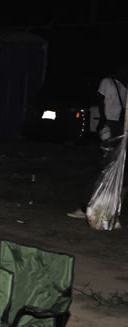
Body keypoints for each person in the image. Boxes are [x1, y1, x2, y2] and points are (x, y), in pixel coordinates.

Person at [67, 70, 127, 220]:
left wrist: (102, 123)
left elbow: (101, 101)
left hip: (111, 127)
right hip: (119, 128)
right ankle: (108, 210)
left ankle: (89, 208)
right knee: (115, 169)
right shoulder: (123, 87)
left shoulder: (107, 82)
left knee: (104, 168)